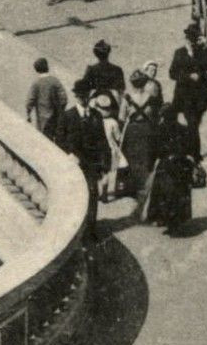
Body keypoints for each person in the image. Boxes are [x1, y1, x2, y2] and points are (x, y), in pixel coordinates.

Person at [53, 82, 110, 240]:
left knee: (92, 194)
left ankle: (90, 230)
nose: (83, 98)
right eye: (79, 95)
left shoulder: (96, 116)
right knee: (76, 197)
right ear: (75, 96)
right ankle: (75, 230)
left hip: (92, 163)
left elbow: (103, 141)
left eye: (85, 95)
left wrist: (105, 165)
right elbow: (59, 140)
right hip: (75, 164)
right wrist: (70, 154)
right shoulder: (67, 116)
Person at [169, 22, 207, 165]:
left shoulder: (203, 50)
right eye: (190, 38)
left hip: (200, 97)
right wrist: (188, 76)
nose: (192, 42)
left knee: (194, 124)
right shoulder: (179, 53)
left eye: (195, 39)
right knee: (192, 124)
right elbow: (172, 73)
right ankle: (193, 154)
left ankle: (193, 153)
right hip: (183, 96)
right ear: (186, 39)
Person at [141, 105, 196, 233]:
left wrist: (150, 166)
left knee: (163, 194)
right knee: (180, 192)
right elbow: (190, 148)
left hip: (166, 166)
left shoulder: (158, 130)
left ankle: (164, 219)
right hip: (181, 165)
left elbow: (153, 151)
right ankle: (178, 220)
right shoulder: (183, 129)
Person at [119, 66, 164, 197]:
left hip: (132, 129)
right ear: (144, 83)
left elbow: (121, 117)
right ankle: (146, 186)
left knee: (131, 158)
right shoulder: (151, 98)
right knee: (147, 157)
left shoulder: (127, 98)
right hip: (147, 129)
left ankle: (131, 187)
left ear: (132, 84)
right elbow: (156, 115)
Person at [94, 91, 128, 202]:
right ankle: (116, 189)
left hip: (99, 149)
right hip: (112, 149)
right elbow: (118, 137)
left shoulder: (94, 121)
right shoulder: (112, 122)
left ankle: (102, 192)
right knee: (117, 168)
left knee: (102, 172)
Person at [25, 57, 66, 139]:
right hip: (56, 119)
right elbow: (64, 99)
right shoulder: (55, 81)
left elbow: (29, 102)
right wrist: (60, 112)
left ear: (36, 69)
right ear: (47, 67)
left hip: (43, 121)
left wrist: (28, 114)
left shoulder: (36, 83)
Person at [75, 39, 126, 103]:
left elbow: (84, 87)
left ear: (96, 54)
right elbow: (121, 90)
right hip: (113, 101)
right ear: (108, 53)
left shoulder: (91, 69)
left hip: (96, 99)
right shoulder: (117, 69)